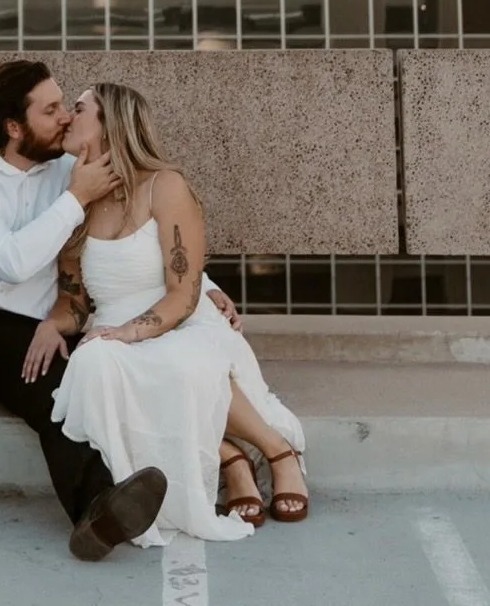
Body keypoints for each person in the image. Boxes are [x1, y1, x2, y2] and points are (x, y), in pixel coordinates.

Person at [0, 59, 243, 560]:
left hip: (34, 340)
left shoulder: (70, 169)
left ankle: (97, 512)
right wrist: (77, 198)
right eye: (51, 109)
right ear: (14, 127)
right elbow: (12, 261)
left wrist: (201, 283)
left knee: (64, 397)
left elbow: (133, 233)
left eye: (66, 106)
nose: (64, 117)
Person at [42, 82, 308, 545]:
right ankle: (228, 457)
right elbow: (76, 300)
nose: (67, 116)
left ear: (111, 123)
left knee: (182, 363)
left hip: (177, 317)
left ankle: (276, 450)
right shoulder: (76, 202)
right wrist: (53, 323)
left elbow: (184, 292)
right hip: (114, 328)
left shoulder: (165, 186)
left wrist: (131, 331)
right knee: (93, 362)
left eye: (79, 109)